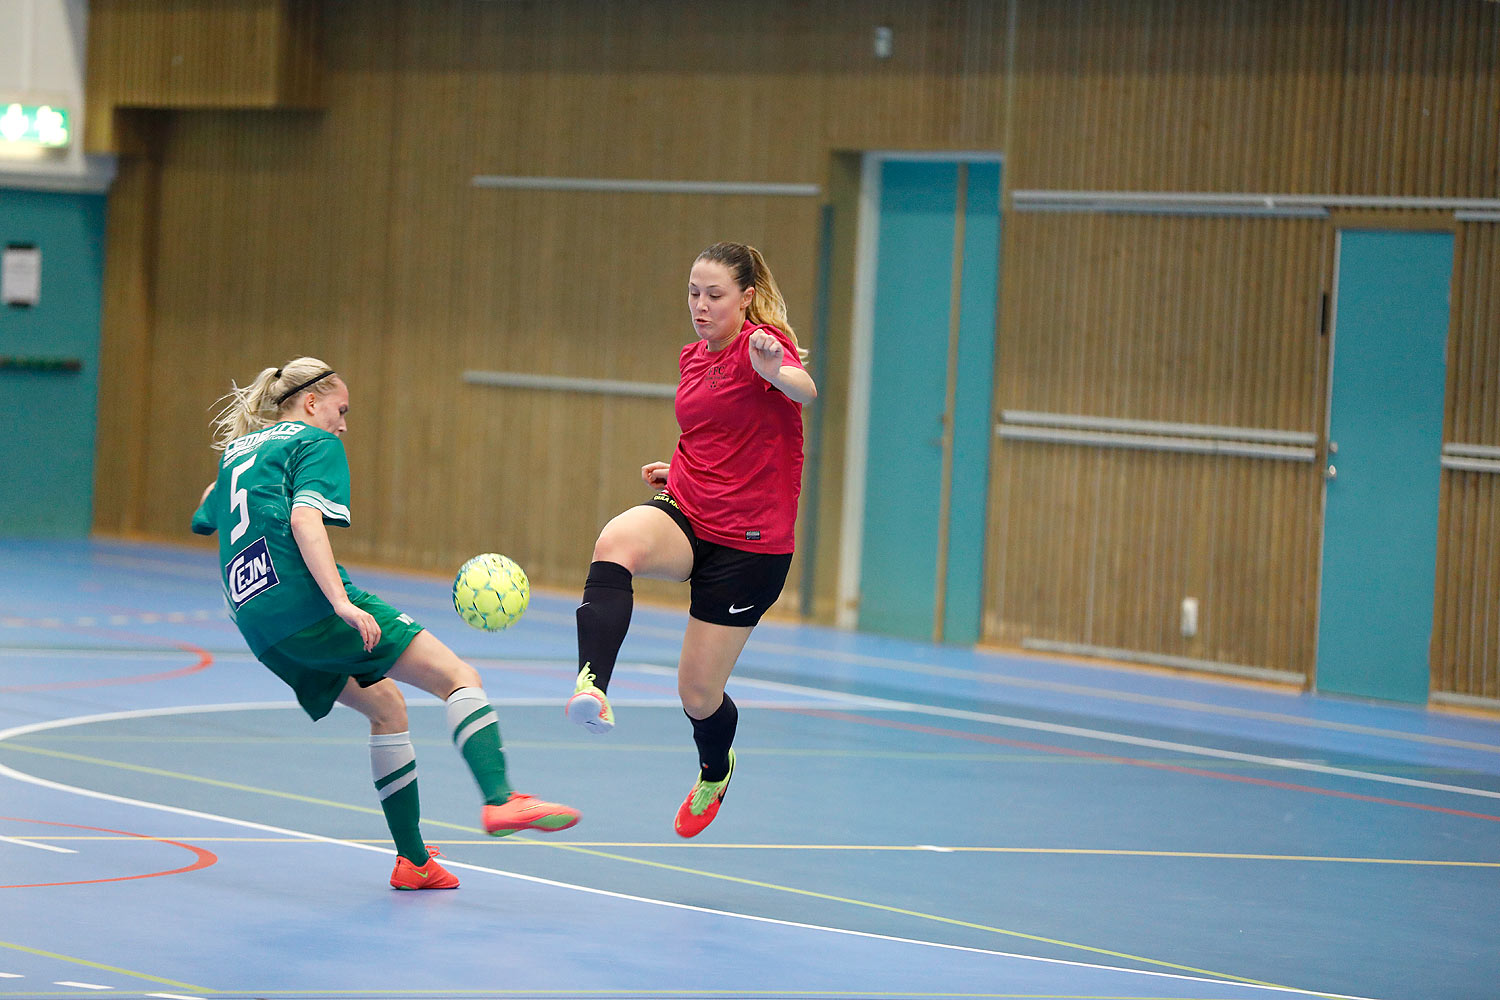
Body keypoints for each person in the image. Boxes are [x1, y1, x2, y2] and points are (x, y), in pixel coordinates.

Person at [192, 357, 579, 890]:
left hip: (259, 626)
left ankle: (414, 862)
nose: (345, 423)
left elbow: (205, 515)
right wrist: (342, 605)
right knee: (460, 678)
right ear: (311, 403)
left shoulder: (238, 452)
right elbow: (306, 520)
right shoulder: (315, 443)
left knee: (387, 706)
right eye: (341, 409)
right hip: (309, 605)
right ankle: (501, 799)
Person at [565, 242, 817, 838]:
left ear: (746, 297)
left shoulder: (764, 348)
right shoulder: (694, 356)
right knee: (617, 540)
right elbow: (713, 433)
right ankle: (592, 687)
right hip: (691, 509)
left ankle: (714, 768)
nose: (700, 307)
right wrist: (676, 472)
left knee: (699, 694)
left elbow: (803, 390)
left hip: (750, 548)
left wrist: (772, 371)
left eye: (714, 295)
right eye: (693, 294)